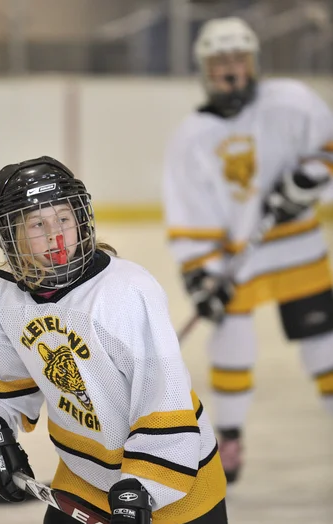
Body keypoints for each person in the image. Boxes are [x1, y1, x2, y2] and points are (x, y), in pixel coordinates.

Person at [0, 156, 235, 524]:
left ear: (81, 218)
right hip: (87, 472)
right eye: (36, 224)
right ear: (11, 235)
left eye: (63, 218)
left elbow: (165, 407)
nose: (55, 235)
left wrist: (140, 489)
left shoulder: (126, 292)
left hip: (177, 474)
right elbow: (9, 390)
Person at [162, 17, 333, 484]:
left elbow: (327, 147)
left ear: (254, 61)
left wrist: (308, 181)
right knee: (231, 341)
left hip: (298, 249)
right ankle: (230, 436)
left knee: (325, 346)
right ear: (205, 70)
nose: (232, 69)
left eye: (239, 58)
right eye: (221, 62)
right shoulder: (192, 137)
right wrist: (201, 273)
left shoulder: (292, 101)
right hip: (239, 260)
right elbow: (188, 211)